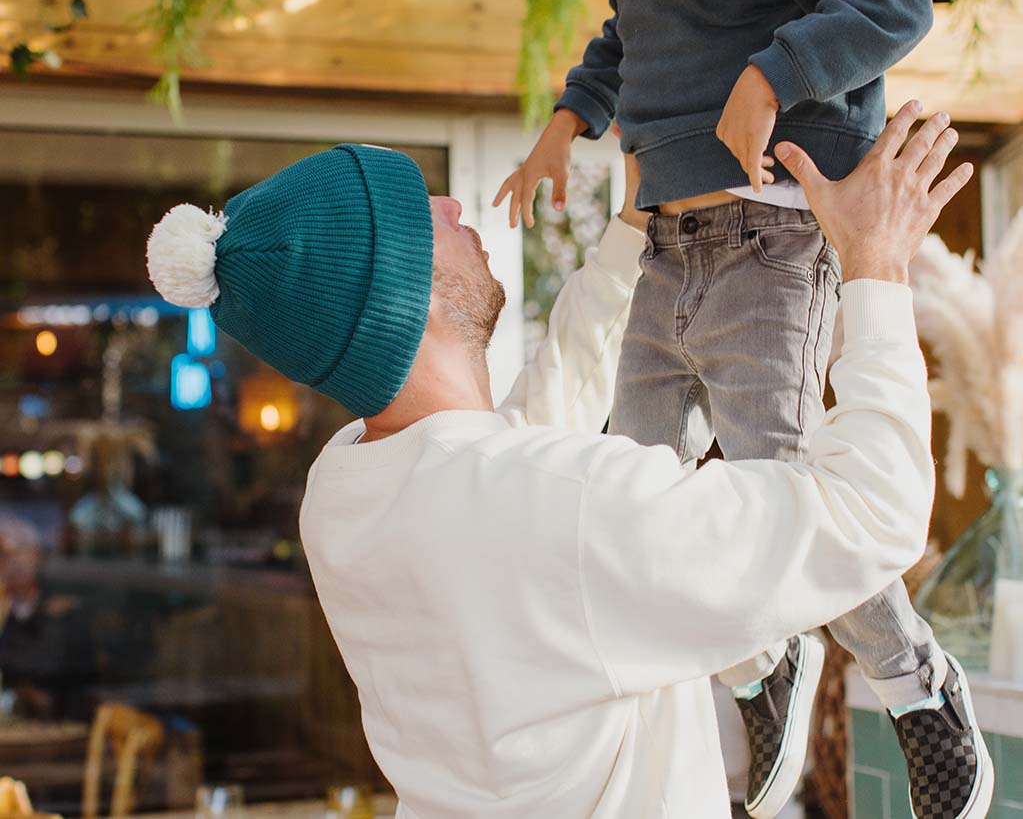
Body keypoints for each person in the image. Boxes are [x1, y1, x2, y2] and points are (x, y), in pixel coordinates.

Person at [146, 103, 987, 819]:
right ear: (404, 295)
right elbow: (871, 513)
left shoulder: (347, 487)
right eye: (419, 214)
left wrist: (633, 232)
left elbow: (524, 432)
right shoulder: (556, 510)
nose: (446, 200)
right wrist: (875, 266)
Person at [493, 0, 981, 816]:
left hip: (772, 236)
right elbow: (629, 41)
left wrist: (779, 71)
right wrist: (572, 114)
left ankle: (914, 678)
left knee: (775, 473)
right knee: (636, 481)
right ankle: (759, 654)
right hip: (670, 245)